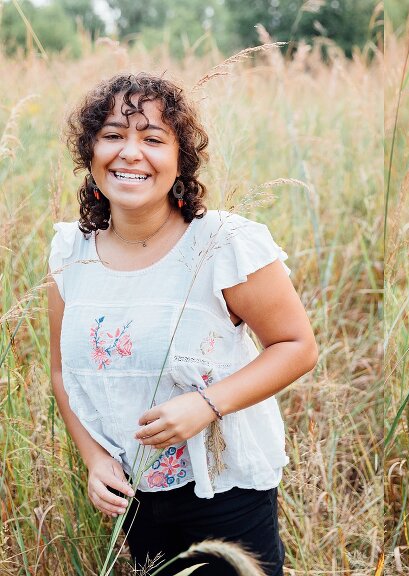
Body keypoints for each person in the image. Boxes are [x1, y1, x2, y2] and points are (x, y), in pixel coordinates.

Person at [47, 73, 318, 576]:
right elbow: (62, 373)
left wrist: (207, 404)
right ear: (90, 152)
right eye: (112, 135)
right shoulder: (71, 252)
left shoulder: (222, 244)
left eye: (152, 139)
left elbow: (297, 346)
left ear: (180, 160)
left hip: (225, 490)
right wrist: (93, 459)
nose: (130, 153)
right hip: (132, 496)